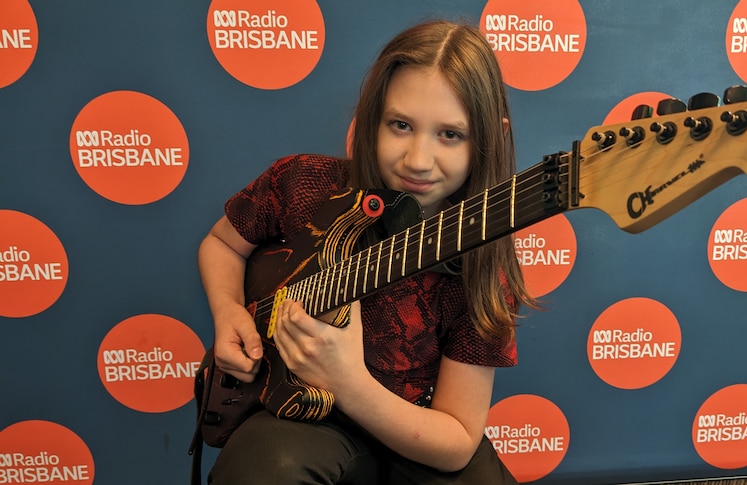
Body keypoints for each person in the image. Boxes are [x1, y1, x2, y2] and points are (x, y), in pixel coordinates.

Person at [197, 18, 536, 484]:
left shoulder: (485, 261)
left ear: (489, 138)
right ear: (372, 118)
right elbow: (221, 244)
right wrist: (227, 311)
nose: (417, 160)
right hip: (297, 414)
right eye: (400, 125)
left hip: (414, 423)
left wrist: (347, 381)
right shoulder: (302, 183)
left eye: (450, 134)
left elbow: (457, 440)